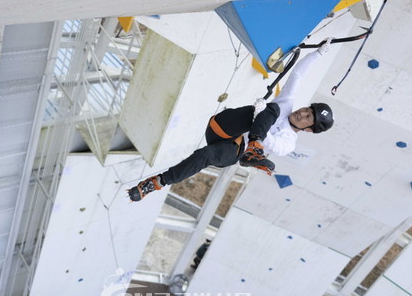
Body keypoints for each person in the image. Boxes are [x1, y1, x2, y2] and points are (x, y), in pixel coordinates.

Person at [128, 39, 335, 202]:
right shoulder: (287, 103)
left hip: (233, 150)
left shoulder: (289, 143)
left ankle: (156, 183)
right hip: (224, 126)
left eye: (307, 117)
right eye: (306, 109)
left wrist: (260, 119)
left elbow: (272, 142)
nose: (302, 113)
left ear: (308, 129)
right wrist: (318, 53)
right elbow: (297, 75)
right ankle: (254, 149)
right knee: (272, 108)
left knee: (206, 154)